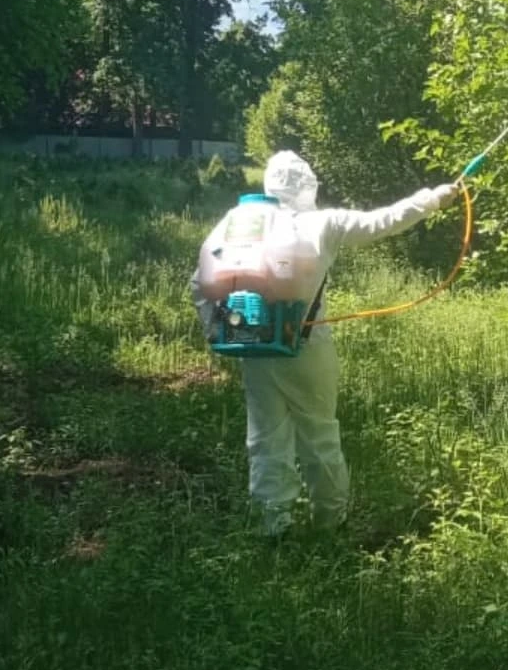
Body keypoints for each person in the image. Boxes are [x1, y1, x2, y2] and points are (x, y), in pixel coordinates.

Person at [190, 151, 457, 537]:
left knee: (265, 438)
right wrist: (433, 199)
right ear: (308, 185)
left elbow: (199, 283)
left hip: (252, 345)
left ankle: (273, 525)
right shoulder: (322, 223)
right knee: (319, 433)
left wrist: (218, 331)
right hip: (308, 347)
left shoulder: (240, 224)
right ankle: (330, 524)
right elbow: (383, 220)